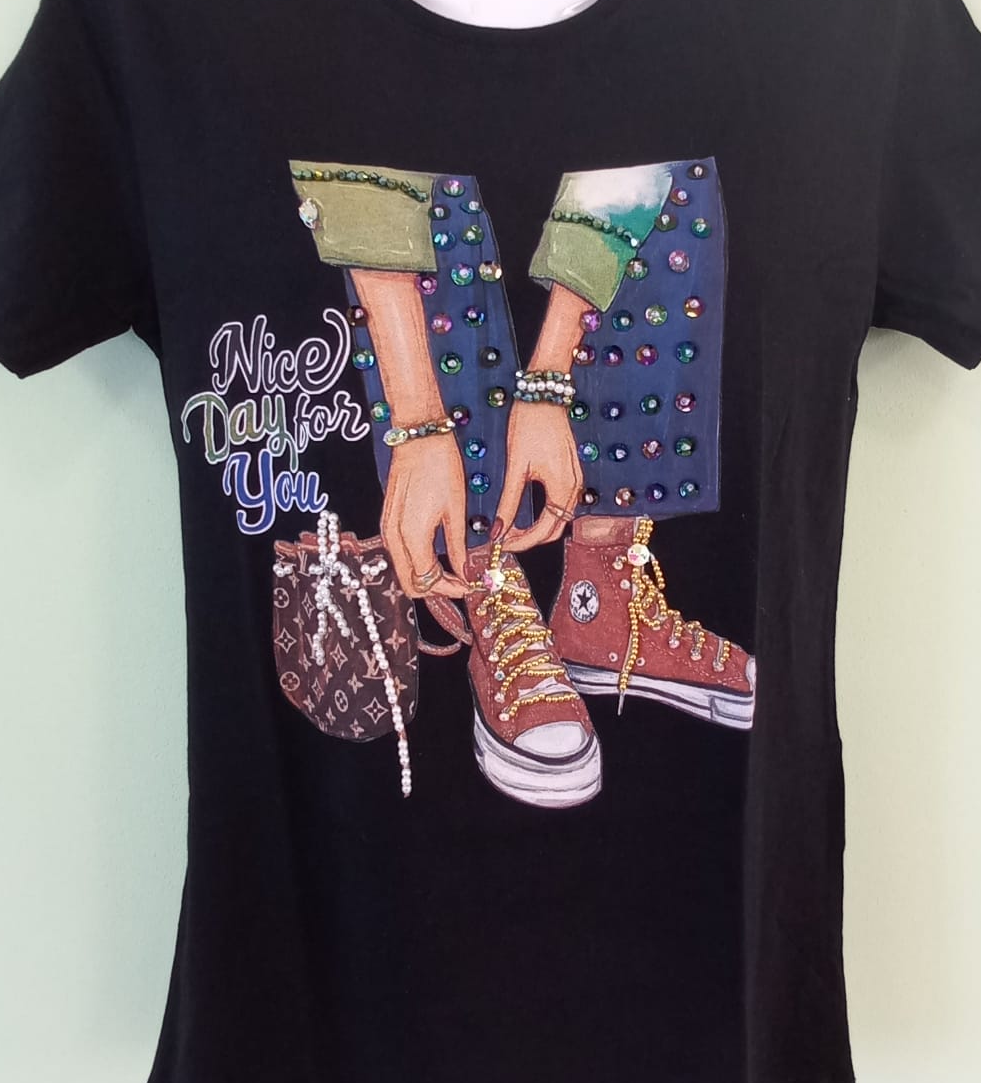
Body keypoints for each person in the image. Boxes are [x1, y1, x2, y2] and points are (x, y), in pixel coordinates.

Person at [290, 157, 756, 807]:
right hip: (402, 243)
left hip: (580, 252)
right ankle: (483, 572)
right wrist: (418, 424)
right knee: (429, 187)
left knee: (665, 176)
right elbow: (360, 191)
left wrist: (548, 381)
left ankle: (601, 601)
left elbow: (617, 194)